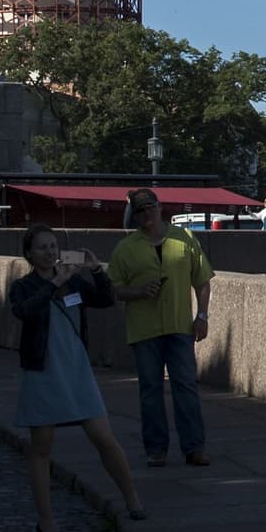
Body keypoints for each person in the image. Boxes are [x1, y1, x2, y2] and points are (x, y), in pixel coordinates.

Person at [6, 228, 145, 532]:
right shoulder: (23, 286)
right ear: (29, 254)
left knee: (103, 437)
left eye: (53, 246)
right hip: (43, 371)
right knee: (42, 447)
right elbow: (24, 311)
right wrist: (54, 283)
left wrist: (96, 271)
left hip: (76, 370)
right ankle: (46, 520)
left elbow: (106, 299)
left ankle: (132, 499)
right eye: (42, 247)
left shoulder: (74, 282)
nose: (49, 252)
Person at [109, 188, 213, 468]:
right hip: (145, 330)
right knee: (150, 390)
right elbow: (115, 288)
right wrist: (139, 291)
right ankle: (156, 449)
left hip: (180, 326)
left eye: (150, 207)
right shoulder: (126, 248)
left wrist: (202, 315)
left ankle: (194, 448)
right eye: (140, 210)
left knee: (186, 387)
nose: (147, 214)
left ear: (160, 206)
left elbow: (203, 280)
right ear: (134, 214)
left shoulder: (184, 238)